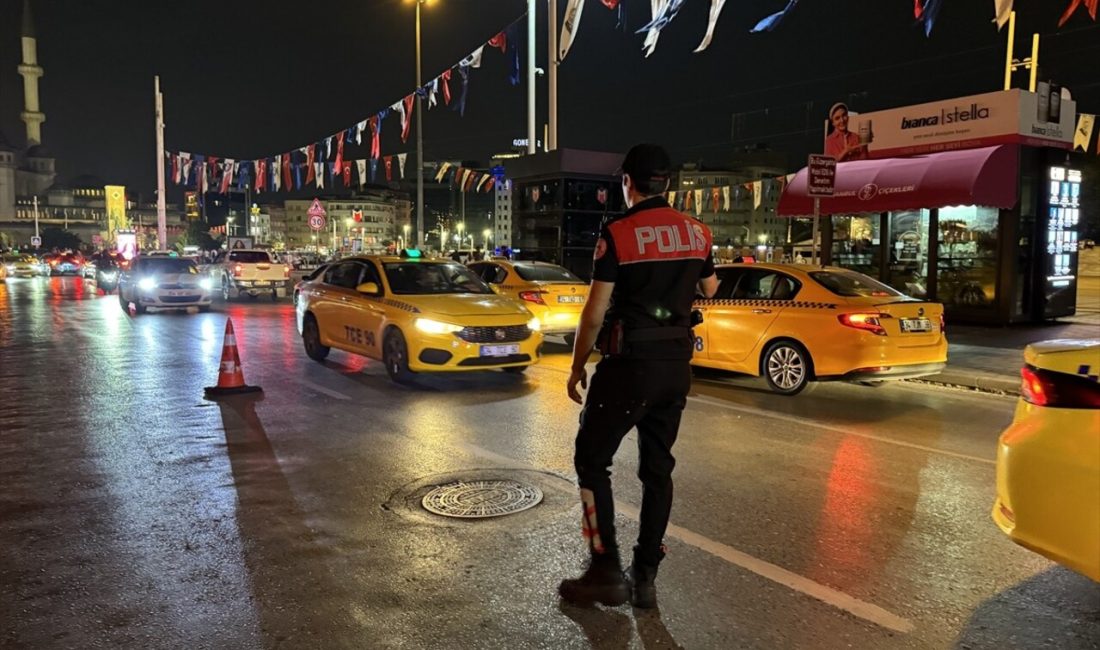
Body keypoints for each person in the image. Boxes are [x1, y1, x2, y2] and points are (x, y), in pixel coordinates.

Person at [559, 144, 719, 609]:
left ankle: (605, 568)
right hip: (676, 367)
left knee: (592, 461)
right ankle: (645, 575)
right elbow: (710, 286)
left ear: (628, 182)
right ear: (666, 183)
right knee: (657, 469)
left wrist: (576, 366)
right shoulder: (698, 231)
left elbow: (593, 313)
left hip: (629, 368)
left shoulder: (620, 233)